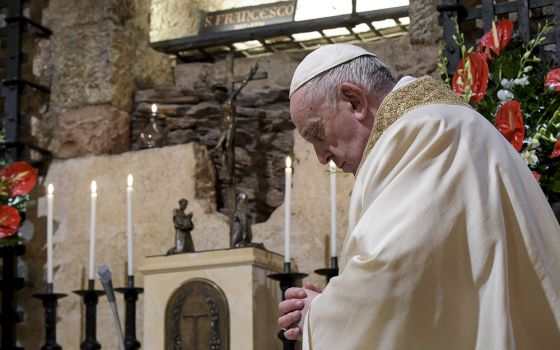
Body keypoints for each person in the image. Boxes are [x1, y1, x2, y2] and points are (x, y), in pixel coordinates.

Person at [278, 43, 560, 349]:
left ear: (354, 100)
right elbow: (440, 282)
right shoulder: (439, 123)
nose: (321, 157)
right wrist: (335, 303)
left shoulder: (425, 134)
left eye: (318, 134)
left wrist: (321, 318)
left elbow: (394, 273)